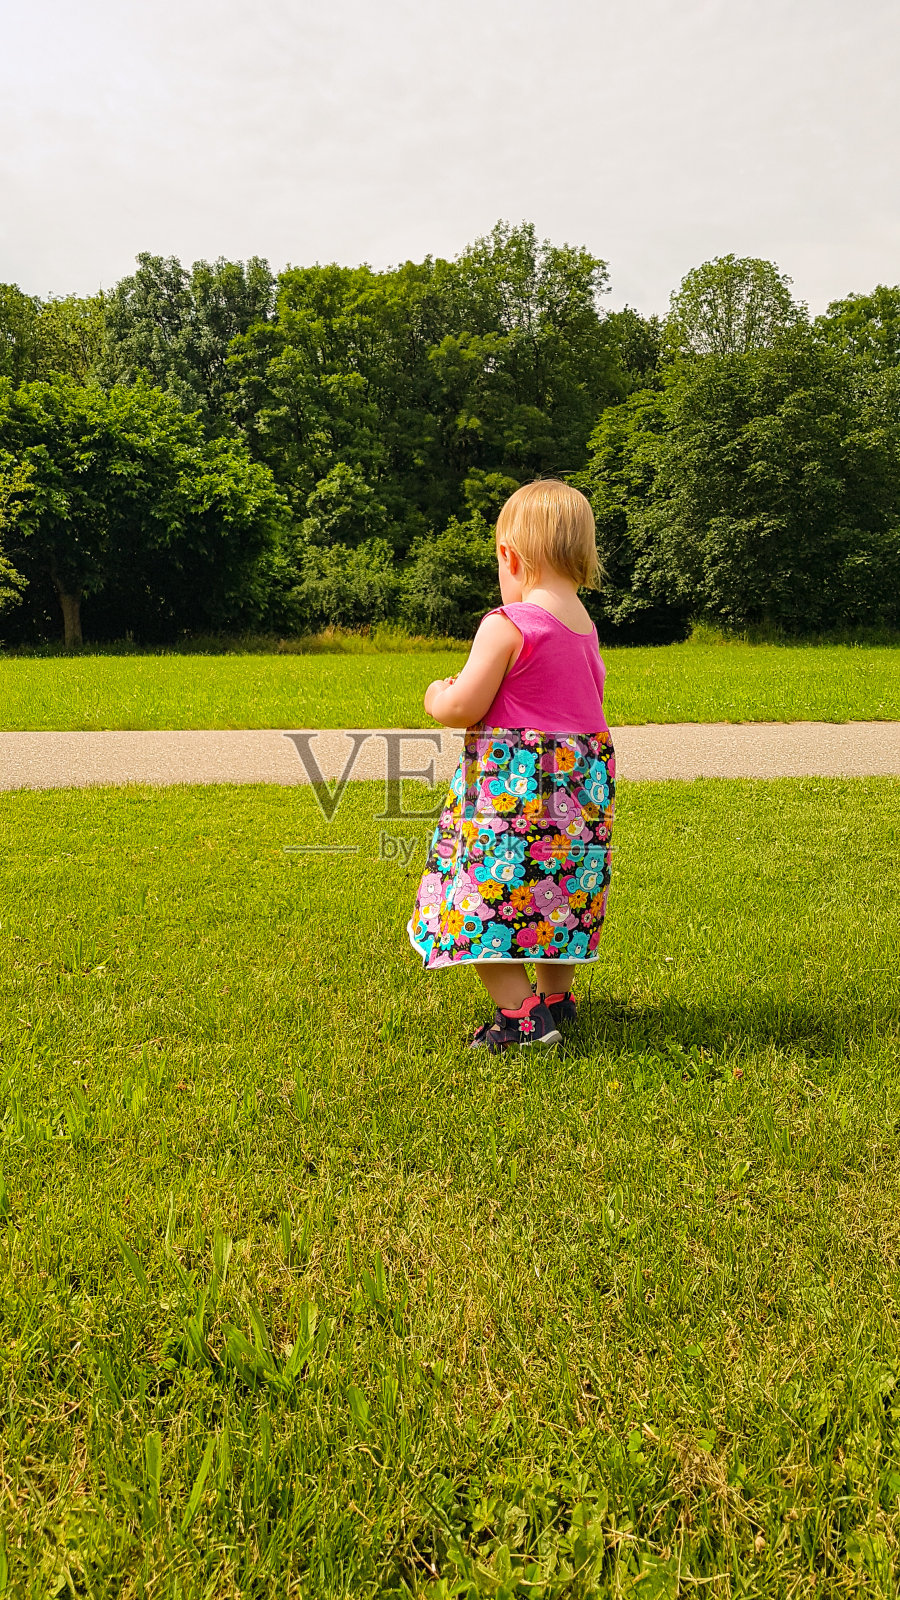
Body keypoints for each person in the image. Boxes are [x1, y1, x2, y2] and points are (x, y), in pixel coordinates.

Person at [407, 479, 615, 1051]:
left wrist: (436, 694)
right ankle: (556, 998)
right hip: (577, 799)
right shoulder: (583, 628)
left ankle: (519, 1017)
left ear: (509, 556)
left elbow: (463, 705)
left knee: (480, 897)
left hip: (513, 801)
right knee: (555, 893)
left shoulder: (507, 623)